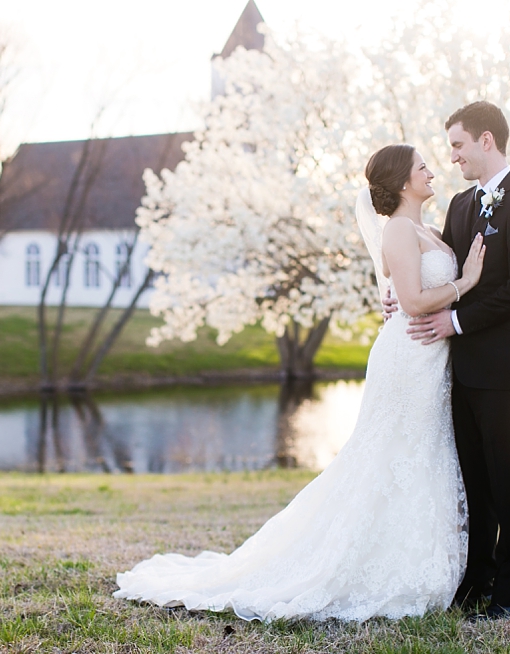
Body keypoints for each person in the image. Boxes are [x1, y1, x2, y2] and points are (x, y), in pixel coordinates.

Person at [113, 144, 486, 622]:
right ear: (400, 182)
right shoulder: (396, 230)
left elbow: (399, 293)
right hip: (407, 360)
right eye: (421, 167)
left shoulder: (427, 229)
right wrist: (468, 282)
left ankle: (422, 560)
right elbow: (413, 303)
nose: (432, 172)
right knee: (391, 455)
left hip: (431, 362)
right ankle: (365, 565)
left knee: (423, 454)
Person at [392, 101, 510, 620]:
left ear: (487, 141)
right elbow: (445, 277)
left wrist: (456, 322)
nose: (452, 156)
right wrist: (403, 294)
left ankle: (509, 595)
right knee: (474, 485)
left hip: (508, 375)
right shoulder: (460, 206)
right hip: (460, 373)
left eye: (458, 145)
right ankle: (476, 580)